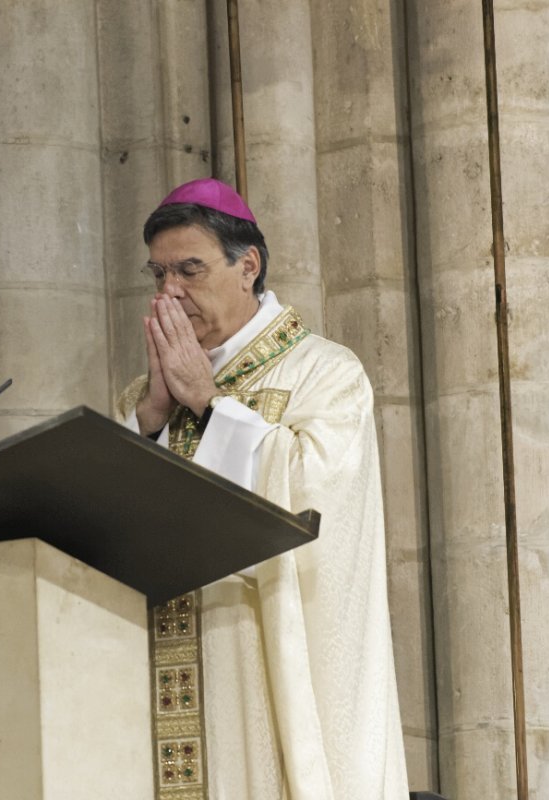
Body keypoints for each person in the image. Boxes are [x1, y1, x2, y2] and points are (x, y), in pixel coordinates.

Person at [117, 178, 409, 799]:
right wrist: (148, 420)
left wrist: (209, 402)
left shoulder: (323, 373)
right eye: (159, 274)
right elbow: (112, 520)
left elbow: (314, 506)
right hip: (162, 673)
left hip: (258, 661)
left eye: (189, 269)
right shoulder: (146, 398)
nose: (171, 292)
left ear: (246, 265)